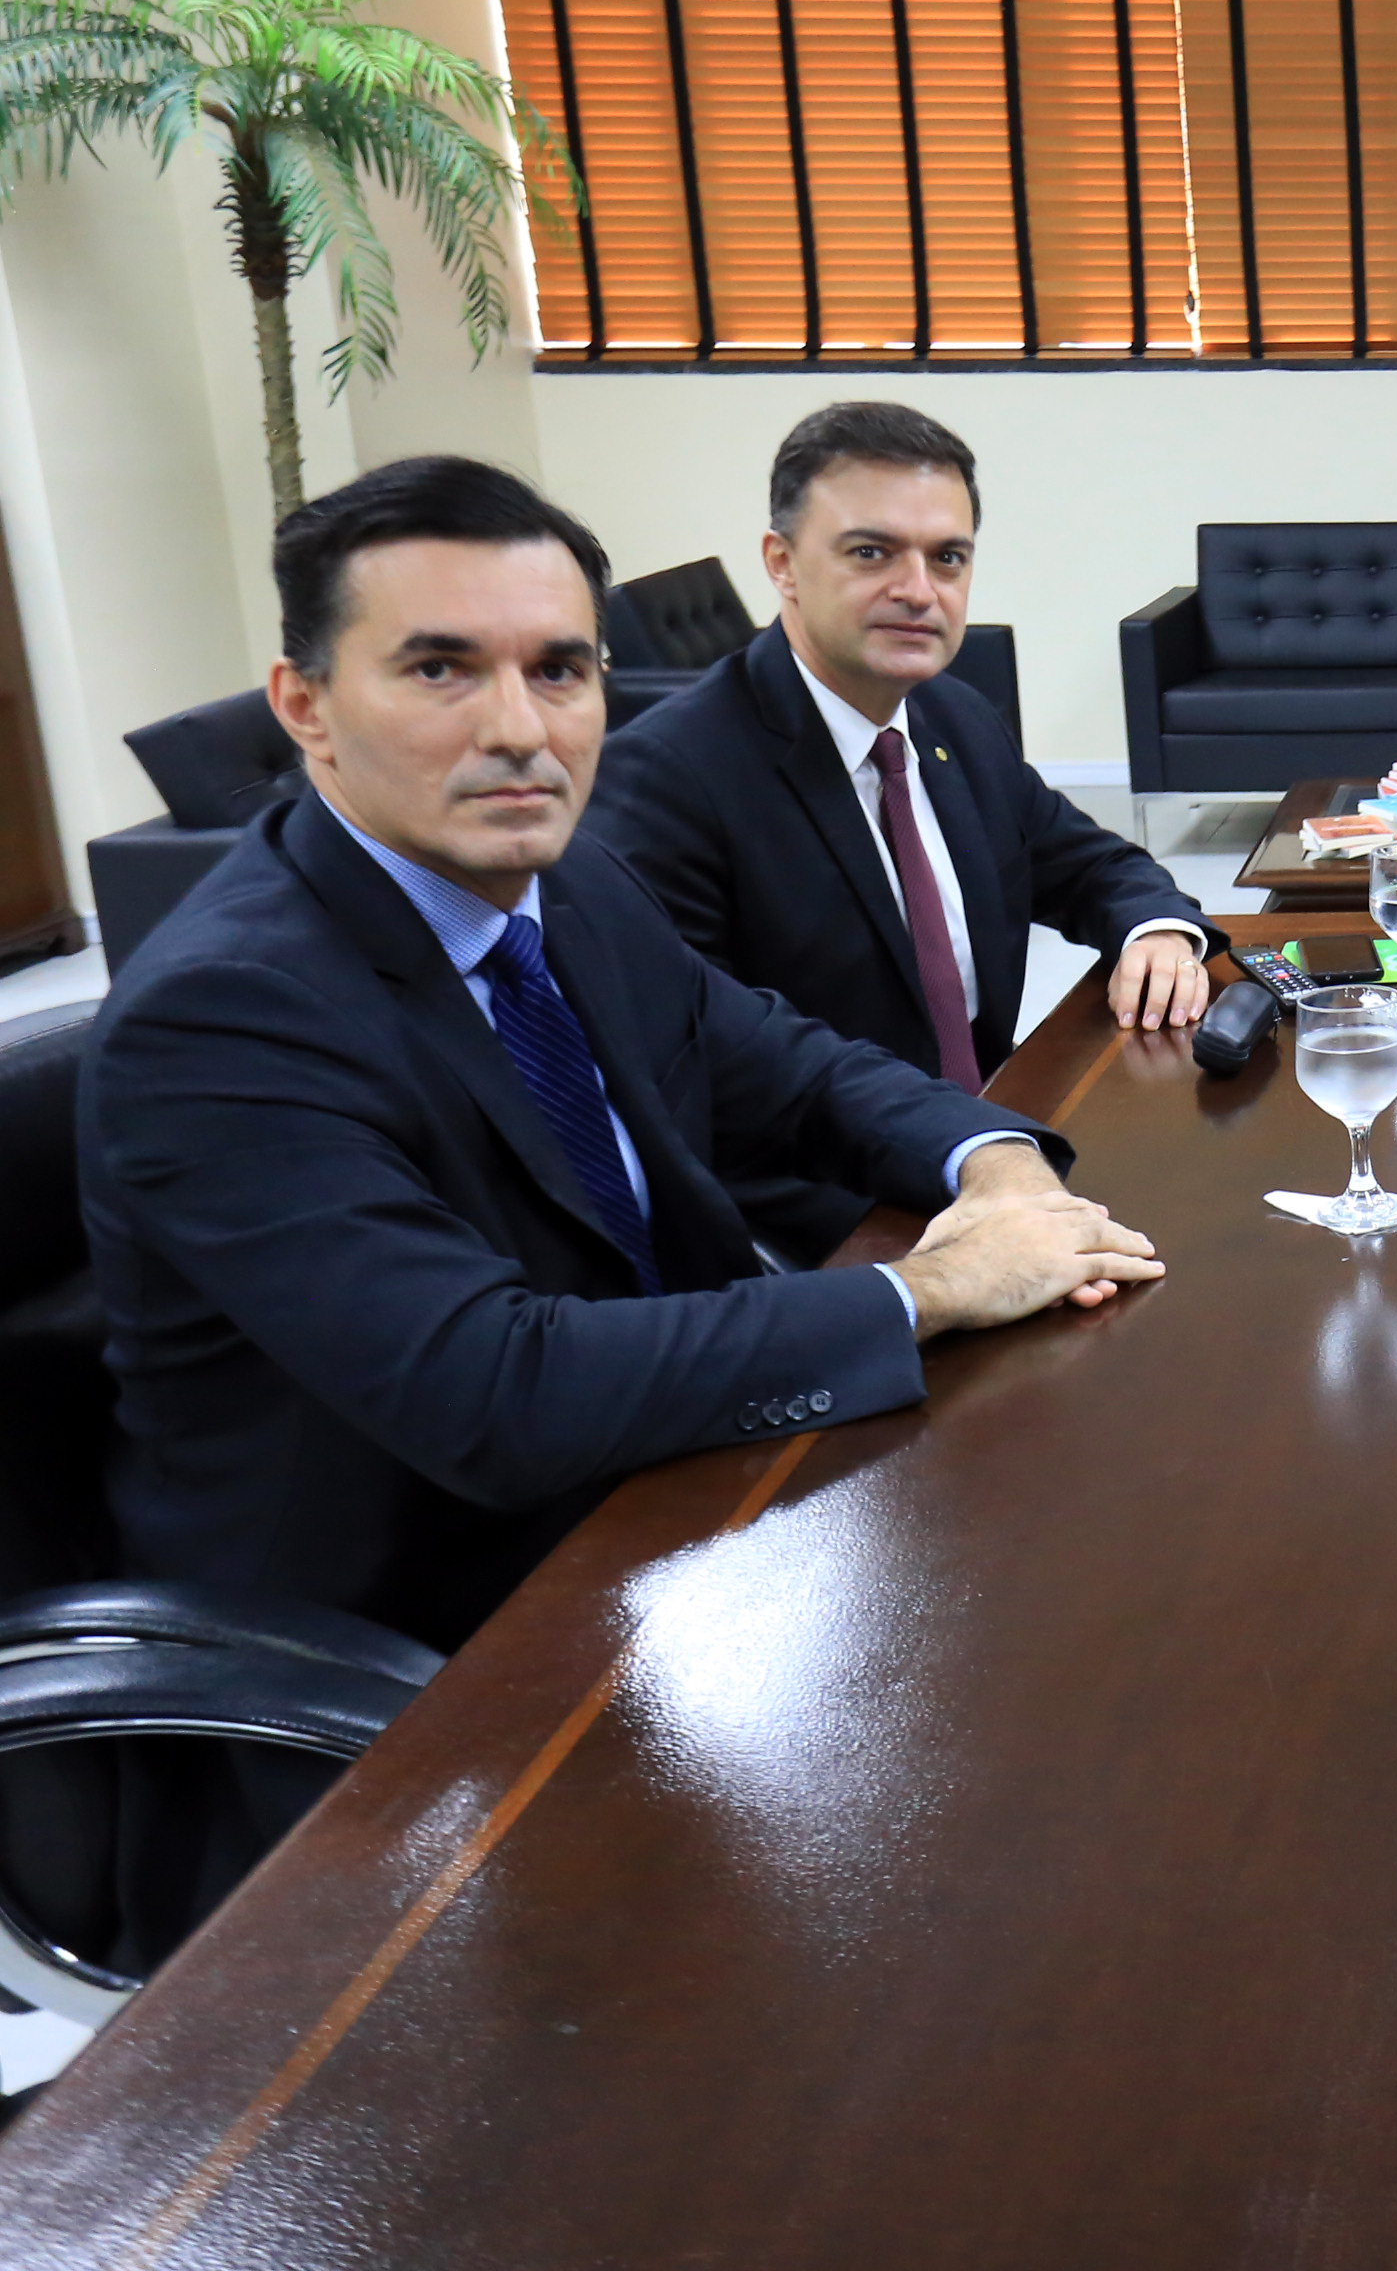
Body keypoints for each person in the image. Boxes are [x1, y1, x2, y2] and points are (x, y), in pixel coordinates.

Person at [82, 456, 1166, 1656]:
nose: (519, 730)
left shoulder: (572, 880)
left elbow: (794, 1068)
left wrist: (997, 1166)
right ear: (305, 705)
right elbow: (499, 1393)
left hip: (678, 1499)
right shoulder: (223, 1015)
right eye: (440, 668)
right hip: (427, 1632)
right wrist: (939, 1285)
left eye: (558, 669)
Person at [589, 402, 1214, 1258]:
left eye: (947, 557)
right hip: (835, 1222)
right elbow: (695, 1081)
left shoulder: (952, 715)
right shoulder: (668, 774)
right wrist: (941, 1229)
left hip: (996, 1147)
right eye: (871, 552)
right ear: (782, 564)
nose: (919, 590)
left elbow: (1085, 862)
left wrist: (1156, 931)